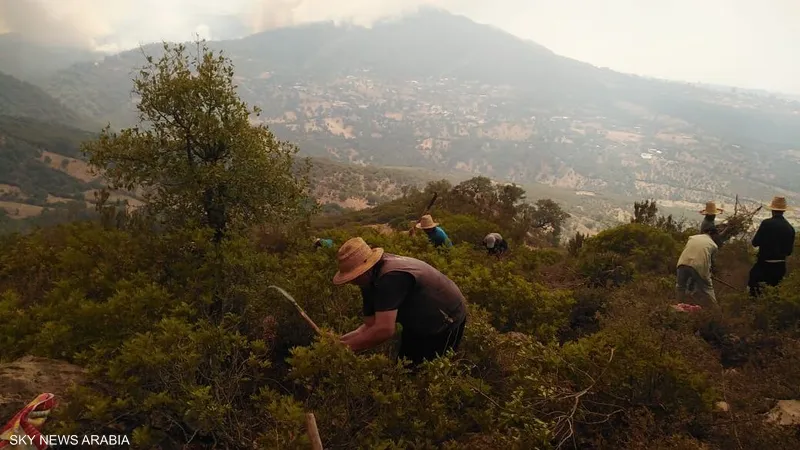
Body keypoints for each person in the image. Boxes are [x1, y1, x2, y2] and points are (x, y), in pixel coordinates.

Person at [334, 237, 467, 366]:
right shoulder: (367, 280)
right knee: (406, 366)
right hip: (417, 321)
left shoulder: (391, 277)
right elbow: (370, 325)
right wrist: (338, 343)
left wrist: (343, 349)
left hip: (446, 319)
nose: (352, 281)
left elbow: (384, 330)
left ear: (366, 269)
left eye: (354, 275)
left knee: (430, 369)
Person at [748, 196, 795, 297]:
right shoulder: (790, 228)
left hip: (764, 265)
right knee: (773, 294)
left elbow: (755, 242)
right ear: (783, 211)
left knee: (755, 290)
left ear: (772, 210)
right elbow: (789, 251)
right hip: (780, 267)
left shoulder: (766, 224)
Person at [675, 226, 720, 308]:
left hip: (682, 262)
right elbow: (711, 263)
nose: (716, 237)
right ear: (712, 234)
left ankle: (679, 306)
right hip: (699, 266)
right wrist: (710, 273)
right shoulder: (713, 245)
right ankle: (716, 310)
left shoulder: (692, 238)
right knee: (707, 289)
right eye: (716, 235)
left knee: (680, 287)